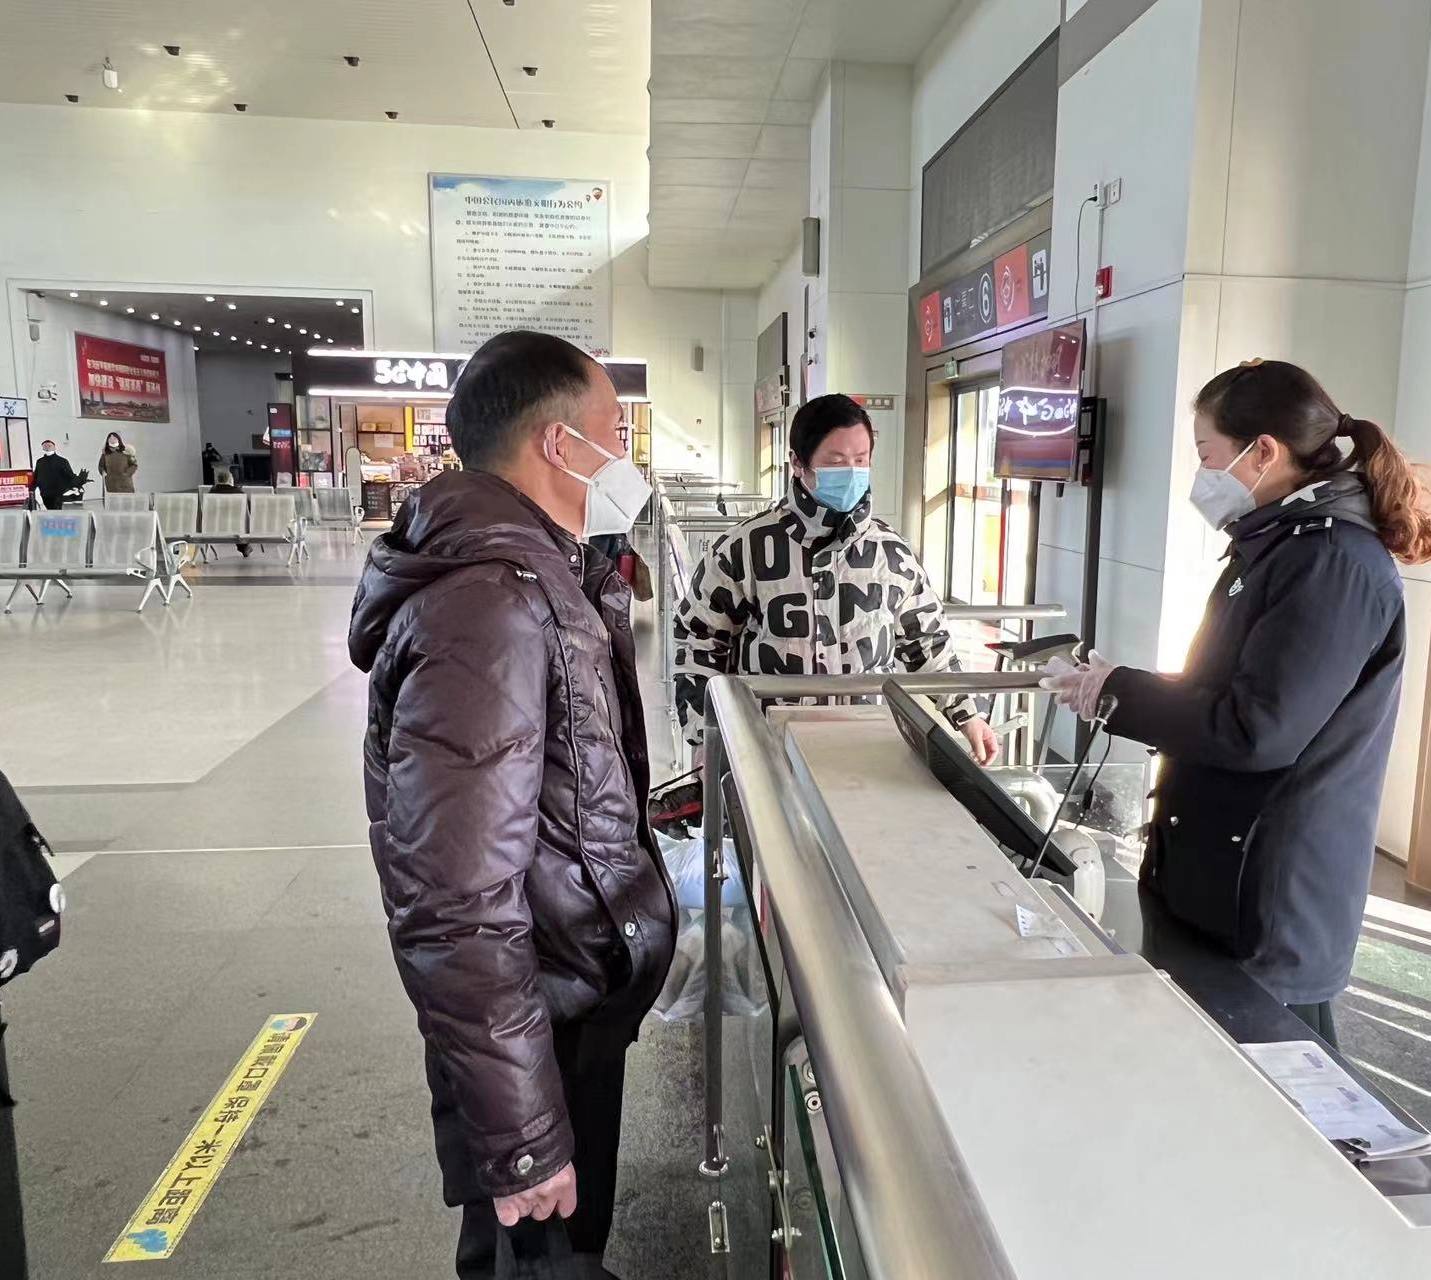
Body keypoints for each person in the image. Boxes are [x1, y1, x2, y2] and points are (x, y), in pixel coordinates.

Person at [348, 329, 672, 1280]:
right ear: (558, 444)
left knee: (551, 1254)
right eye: (615, 432)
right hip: (533, 1023)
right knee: (536, 1258)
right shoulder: (488, 605)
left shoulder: (535, 572)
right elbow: (454, 895)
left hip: (553, 1003)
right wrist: (522, 1133)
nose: (626, 456)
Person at [1041, 359, 1431, 1048]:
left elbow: (1258, 729)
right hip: (1217, 869)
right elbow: (1235, 689)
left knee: (1280, 1084)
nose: (1201, 475)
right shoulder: (1276, 546)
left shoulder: (1330, 564)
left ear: (1262, 452)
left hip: (1267, 892)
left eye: (1207, 455)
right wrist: (1120, 686)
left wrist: (1121, 694)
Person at [672, 393, 999, 762]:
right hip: (768, 753)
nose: (852, 472)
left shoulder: (890, 553)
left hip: (867, 747)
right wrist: (704, 738)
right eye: (837, 462)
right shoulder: (745, 548)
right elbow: (698, 639)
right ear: (798, 462)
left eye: (861, 460)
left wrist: (968, 715)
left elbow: (927, 642)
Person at [207, 468, 252, 556]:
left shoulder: (211, 492)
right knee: (238, 522)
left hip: (215, 526)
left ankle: (244, 547)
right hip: (235, 526)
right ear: (230, 479)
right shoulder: (238, 492)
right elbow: (248, 508)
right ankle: (244, 547)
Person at [31, 440, 79, 510]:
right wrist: (32, 488)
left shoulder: (62, 461)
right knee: (49, 509)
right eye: (45, 446)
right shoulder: (40, 461)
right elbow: (36, 476)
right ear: (43, 448)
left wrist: (74, 485)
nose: (47, 447)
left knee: (56, 510)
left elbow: (69, 474)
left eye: (49, 445)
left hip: (57, 492)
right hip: (45, 492)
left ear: (54, 447)